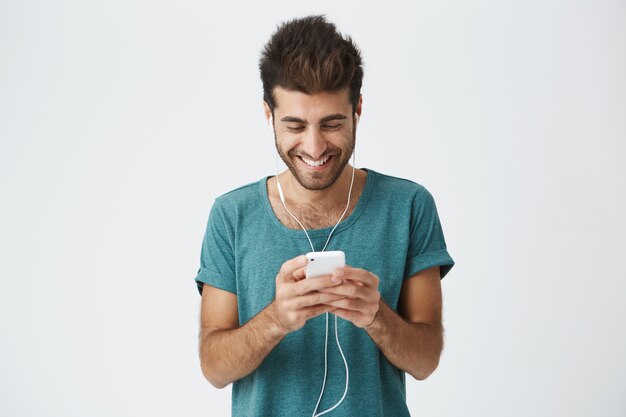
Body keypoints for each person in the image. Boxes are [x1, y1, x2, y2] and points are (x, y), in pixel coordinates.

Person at [194, 14, 455, 417]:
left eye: (332, 123)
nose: (315, 148)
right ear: (269, 115)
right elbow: (214, 367)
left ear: (358, 110)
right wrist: (276, 319)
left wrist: (376, 317)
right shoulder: (232, 215)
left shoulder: (408, 206)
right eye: (295, 125)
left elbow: (426, 361)